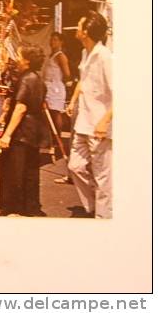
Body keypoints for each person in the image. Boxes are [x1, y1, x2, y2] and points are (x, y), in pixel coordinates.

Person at [66, 11, 112, 219]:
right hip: (83, 123)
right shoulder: (86, 53)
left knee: (104, 176)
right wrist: (74, 101)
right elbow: (83, 82)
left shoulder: (106, 57)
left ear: (86, 32)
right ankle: (93, 206)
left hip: (99, 126)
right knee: (75, 166)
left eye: (78, 26)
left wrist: (104, 121)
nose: (76, 29)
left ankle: (104, 218)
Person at [0, 44, 47, 217]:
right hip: (34, 131)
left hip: (22, 131)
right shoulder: (37, 78)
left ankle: (15, 208)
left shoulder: (26, 79)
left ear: (26, 60)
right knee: (31, 171)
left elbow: (21, 108)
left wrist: (7, 134)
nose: (16, 59)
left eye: (19, 55)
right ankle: (30, 206)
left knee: (16, 170)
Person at [42, 32, 73, 184]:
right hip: (47, 87)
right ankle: (49, 142)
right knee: (47, 115)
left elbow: (67, 73)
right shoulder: (50, 56)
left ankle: (57, 139)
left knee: (55, 114)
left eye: (55, 40)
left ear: (60, 42)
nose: (52, 42)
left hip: (55, 88)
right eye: (51, 39)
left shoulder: (61, 56)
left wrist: (62, 83)